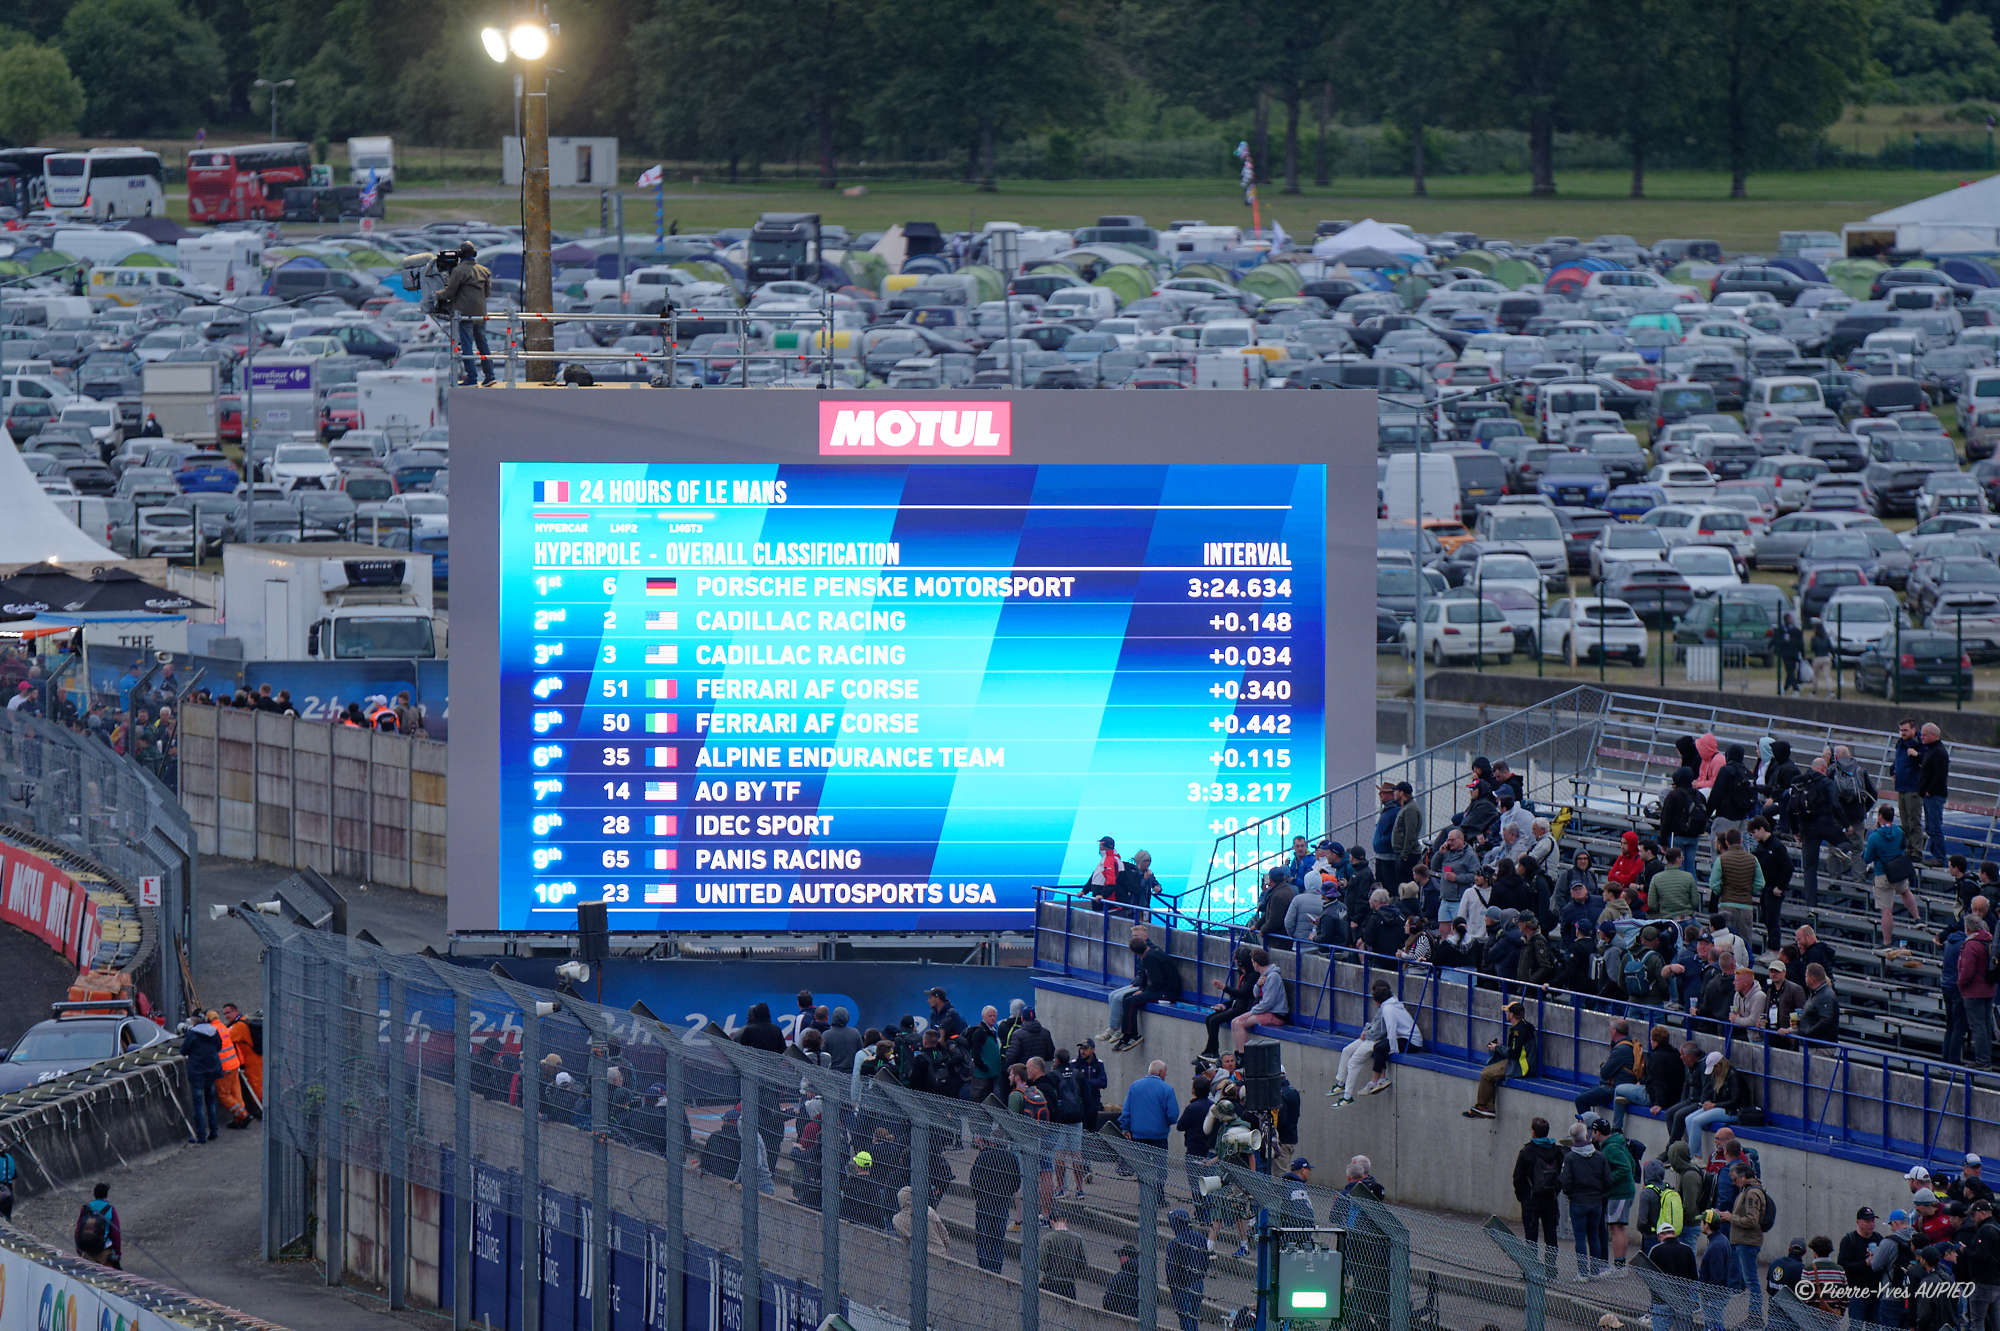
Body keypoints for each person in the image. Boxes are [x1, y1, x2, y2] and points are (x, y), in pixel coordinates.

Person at [1714, 1160, 1768, 1325]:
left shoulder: (1752, 1194)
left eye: (1735, 1178)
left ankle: (1755, 1317)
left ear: (1744, 1177)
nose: (1733, 1182)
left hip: (1748, 1242)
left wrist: (1731, 1218)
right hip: (1744, 1241)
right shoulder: (1747, 1190)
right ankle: (1754, 1315)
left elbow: (1752, 1220)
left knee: (1751, 1280)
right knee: (1749, 1280)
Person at [1863, 804, 1925, 947]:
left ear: (1880, 816)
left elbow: (1867, 858)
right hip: (1899, 871)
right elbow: (1903, 846)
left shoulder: (1874, 837)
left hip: (1882, 874)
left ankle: (1887, 942)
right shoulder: (1899, 831)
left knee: (1886, 910)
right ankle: (1917, 918)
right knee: (1905, 891)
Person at [1112, 928, 1184, 1052]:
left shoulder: (1150, 958)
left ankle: (1131, 1035)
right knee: (1127, 998)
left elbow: (1158, 982)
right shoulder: (1150, 954)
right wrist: (1143, 989)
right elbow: (1147, 978)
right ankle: (1126, 1034)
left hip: (1167, 993)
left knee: (1130, 1001)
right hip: (1163, 989)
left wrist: (1145, 991)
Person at [1512, 1117, 1565, 1279]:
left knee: (1531, 1236)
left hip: (1532, 1199)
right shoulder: (1557, 1151)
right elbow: (1561, 1175)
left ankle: (1531, 1270)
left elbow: (1518, 1177)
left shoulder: (1527, 1152)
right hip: (1550, 1198)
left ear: (1533, 1132)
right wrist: (1555, 1191)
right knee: (1551, 1235)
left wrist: (1522, 1197)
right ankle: (1550, 1270)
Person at [1562, 1120, 1611, 1281]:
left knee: (1580, 1238)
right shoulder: (1600, 1157)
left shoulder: (1570, 1158)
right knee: (1594, 1236)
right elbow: (1607, 1180)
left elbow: (1566, 1182)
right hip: (1596, 1202)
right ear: (1587, 1135)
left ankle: (1583, 1272)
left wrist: (1571, 1194)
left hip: (1578, 1202)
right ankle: (1596, 1271)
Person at [1467, 1001, 1534, 1119]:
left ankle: (1483, 1107)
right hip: (1521, 1061)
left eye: (1507, 1012)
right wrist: (1500, 1047)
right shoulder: (1524, 1025)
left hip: (1520, 1066)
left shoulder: (1518, 1031)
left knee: (1486, 1074)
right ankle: (1488, 1107)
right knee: (1491, 1068)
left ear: (1512, 1015)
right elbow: (1516, 1049)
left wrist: (1497, 1047)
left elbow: (1514, 1053)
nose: (1506, 1014)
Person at [442, 241, 497, 387]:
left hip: (464, 313)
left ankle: (472, 378)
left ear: (460, 255)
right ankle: (490, 375)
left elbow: (450, 292)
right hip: (480, 313)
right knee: (482, 343)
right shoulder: (484, 271)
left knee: (467, 345)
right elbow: (487, 293)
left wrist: (436, 295)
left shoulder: (458, 271)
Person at [1613, 1025, 1683, 1132]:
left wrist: (1658, 1104)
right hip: (1675, 1097)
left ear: (1654, 1041)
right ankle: (1627, 1102)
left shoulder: (1655, 1057)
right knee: (1630, 1090)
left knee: (1619, 1090)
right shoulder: (1676, 1054)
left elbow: (1658, 1082)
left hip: (1654, 1097)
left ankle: (1616, 1129)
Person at [969, 1131, 1020, 1273]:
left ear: (991, 1142)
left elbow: (974, 1179)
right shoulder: (1012, 1158)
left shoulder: (983, 1156)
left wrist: (979, 1195)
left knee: (983, 1236)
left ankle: (984, 1266)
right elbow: (1016, 1183)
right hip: (1001, 1203)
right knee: (998, 1237)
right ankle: (996, 1267)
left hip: (984, 1202)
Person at [1200, 946, 1259, 1062]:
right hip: (1237, 1005)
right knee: (1209, 1018)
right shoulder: (1243, 975)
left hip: (1243, 1009)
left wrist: (1224, 987)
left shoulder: (1252, 976)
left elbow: (1242, 994)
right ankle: (1210, 1049)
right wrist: (1225, 1005)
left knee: (1214, 1021)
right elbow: (1236, 996)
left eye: (1236, 960)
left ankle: (1213, 1051)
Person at [1707, 829, 1762, 952]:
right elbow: (1760, 883)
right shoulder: (1753, 859)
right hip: (1746, 906)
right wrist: (1748, 891)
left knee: (1725, 947)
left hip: (1726, 905)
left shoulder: (1721, 859)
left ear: (1726, 842)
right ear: (1741, 841)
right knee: (1745, 945)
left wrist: (1723, 891)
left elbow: (1714, 884)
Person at [1576, 1018, 1642, 1118]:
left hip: (1614, 1089)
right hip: (1617, 1085)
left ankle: (1591, 1129)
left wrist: (1603, 1066)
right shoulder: (1628, 1045)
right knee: (1583, 1094)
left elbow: (1605, 1073)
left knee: (1580, 1100)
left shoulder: (1621, 1049)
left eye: (1610, 1029)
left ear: (1614, 1031)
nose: (1610, 1031)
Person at [1748, 819, 1793, 955]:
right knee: (1766, 918)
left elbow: (1788, 867)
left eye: (1754, 832)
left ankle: (1774, 949)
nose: (1753, 836)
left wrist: (1781, 886)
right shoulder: (1760, 847)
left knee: (1773, 920)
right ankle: (1770, 948)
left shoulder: (1777, 846)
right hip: (1765, 888)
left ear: (1762, 828)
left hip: (1774, 889)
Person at [1229, 949, 1287, 1052]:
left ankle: (1243, 1056)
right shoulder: (1263, 975)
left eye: (1252, 962)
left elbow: (1268, 1003)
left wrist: (1251, 1012)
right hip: (1265, 1011)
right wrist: (1257, 985)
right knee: (1234, 1022)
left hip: (1275, 1014)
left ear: (1256, 963)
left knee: (1239, 1023)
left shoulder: (1273, 977)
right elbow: (1256, 995)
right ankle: (1237, 1053)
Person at [181, 1012, 225, 1143]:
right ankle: (214, 1131)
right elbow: (219, 1046)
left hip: (198, 1072)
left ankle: (201, 1136)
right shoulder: (213, 1031)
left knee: (199, 1104)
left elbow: (184, 1050)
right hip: (212, 1069)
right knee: (211, 1101)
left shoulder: (192, 1034)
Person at [1165, 1208, 1212, 1331]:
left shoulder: (1174, 1243)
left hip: (1181, 1286)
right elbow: (1206, 1262)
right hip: (1197, 1283)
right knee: (1193, 1316)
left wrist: (1173, 1285)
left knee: (1185, 1319)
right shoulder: (1200, 1238)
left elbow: (1171, 1270)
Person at [1118, 1059, 1179, 1151]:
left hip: (1137, 1137)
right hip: (1159, 1138)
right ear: (1160, 1072)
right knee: (1158, 1164)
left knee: (1139, 1164)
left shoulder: (1134, 1087)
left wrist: (1125, 1128)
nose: (1165, 1075)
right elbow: (1173, 1115)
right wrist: (1165, 1123)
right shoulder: (1167, 1089)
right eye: (1165, 1073)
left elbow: (1126, 1111)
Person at [1965, 912, 1998, 1070]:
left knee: (1978, 1027)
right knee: (1984, 1025)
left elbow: (1967, 972)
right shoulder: (1990, 941)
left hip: (1974, 991)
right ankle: (1985, 1059)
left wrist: (1961, 984)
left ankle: (1982, 1061)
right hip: (1989, 989)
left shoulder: (1972, 945)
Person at [221, 1002, 262, 1116]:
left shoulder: (239, 1026)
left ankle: (261, 1108)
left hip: (252, 1060)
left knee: (256, 1084)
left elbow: (225, 1038)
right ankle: (260, 1107)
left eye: (228, 1013)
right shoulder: (243, 1021)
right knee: (258, 1083)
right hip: (255, 1058)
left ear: (235, 1011)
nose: (226, 1016)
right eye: (225, 1014)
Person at [1039, 1209, 1089, 1299]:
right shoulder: (1077, 1238)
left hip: (1051, 1281)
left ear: (1051, 1221)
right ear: (1065, 1220)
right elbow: (1083, 1263)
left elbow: (1042, 1264)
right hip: (1069, 1283)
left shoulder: (1047, 1238)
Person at [1696, 1210, 1733, 1331]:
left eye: (1702, 1222)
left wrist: (1707, 1296)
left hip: (1714, 1297)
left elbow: (1716, 1276)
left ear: (1707, 1224)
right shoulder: (1720, 1239)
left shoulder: (1715, 1246)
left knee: (1714, 1327)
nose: (1700, 1224)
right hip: (1717, 1295)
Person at [1921, 723, 1951, 866]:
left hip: (1934, 795)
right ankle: (1935, 856)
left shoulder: (1939, 752)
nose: (1922, 737)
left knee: (1934, 826)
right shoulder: (1932, 749)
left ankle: (1939, 857)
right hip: (1929, 794)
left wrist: (1929, 790)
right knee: (1930, 827)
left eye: (1924, 734)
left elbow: (1940, 775)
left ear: (1933, 735)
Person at [1893, 718, 1927, 843]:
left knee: (1914, 822)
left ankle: (1916, 851)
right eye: (1901, 730)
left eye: (1905, 730)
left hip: (1913, 788)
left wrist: (1917, 755)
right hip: (1901, 786)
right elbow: (1898, 760)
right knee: (1904, 822)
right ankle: (1908, 849)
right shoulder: (1901, 742)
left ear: (1913, 729)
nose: (1902, 733)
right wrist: (1892, 771)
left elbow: (1927, 761)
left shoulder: (1920, 743)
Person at [75, 1182, 120, 1268]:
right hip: (104, 1252)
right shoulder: (110, 1209)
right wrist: (117, 1253)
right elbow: (116, 1234)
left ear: (94, 1194)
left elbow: (78, 1230)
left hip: (87, 1251)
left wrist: (79, 1250)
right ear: (106, 1195)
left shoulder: (85, 1208)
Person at [1391, 781, 1424, 884]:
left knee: (1406, 884)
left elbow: (1410, 834)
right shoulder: (1407, 807)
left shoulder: (1410, 809)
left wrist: (1404, 855)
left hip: (1408, 856)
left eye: (1395, 791)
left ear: (1401, 793)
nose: (1394, 794)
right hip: (1404, 854)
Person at [1798, 963, 1839, 1042]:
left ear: (1812, 978)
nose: (1805, 979)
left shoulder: (1826, 995)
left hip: (1819, 1045)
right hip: (1812, 1042)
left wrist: (1807, 1032)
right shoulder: (1815, 993)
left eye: (1806, 976)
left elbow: (1826, 1019)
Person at [1102, 1246, 1143, 1317]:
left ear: (1126, 1257)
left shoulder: (1119, 1277)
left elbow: (1108, 1302)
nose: (1119, 1259)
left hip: (1120, 1316)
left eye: (1120, 1256)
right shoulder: (1144, 1278)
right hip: (1139, 1316)